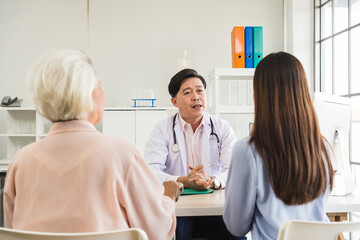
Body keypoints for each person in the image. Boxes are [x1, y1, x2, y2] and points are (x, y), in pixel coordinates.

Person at [3, 48, 183, 240]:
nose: (103, 94)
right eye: (99, 87)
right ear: (87, 95)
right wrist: (168, 197)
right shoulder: (123, 154)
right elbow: (157, 231)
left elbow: (13, 231)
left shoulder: (20, 161)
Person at [223, 52, 335, 240]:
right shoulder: (323, 147)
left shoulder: (248, 151)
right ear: (303, 92)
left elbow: (236, 227)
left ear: (259, 95)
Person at [145, 68, 242, 240]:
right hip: (179, 205)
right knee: (178, 233)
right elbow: (150, 172)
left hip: (215, 205)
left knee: (234, 235)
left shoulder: (222, 127)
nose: (196, 97)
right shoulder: (162, 130)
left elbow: (234, 170)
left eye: (200, 90)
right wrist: (183, 181)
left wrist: (212, 181)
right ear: (174, 101)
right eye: (187, 92)